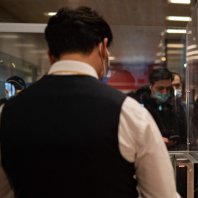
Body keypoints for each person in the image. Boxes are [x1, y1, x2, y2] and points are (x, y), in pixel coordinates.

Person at [0, 7, 179, 198]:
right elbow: (162, 195)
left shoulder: (7, 112)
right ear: (103, 48)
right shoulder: (128, 112)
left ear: (50, 54)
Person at [128, 68, 187, 150]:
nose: (165, 92)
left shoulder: (176, 104)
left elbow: (184, 134)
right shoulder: (138, 102)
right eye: (160, 88)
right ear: (151, 86)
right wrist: (154, 140)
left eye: (168, 88)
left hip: (173, 152)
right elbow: (131, 133)